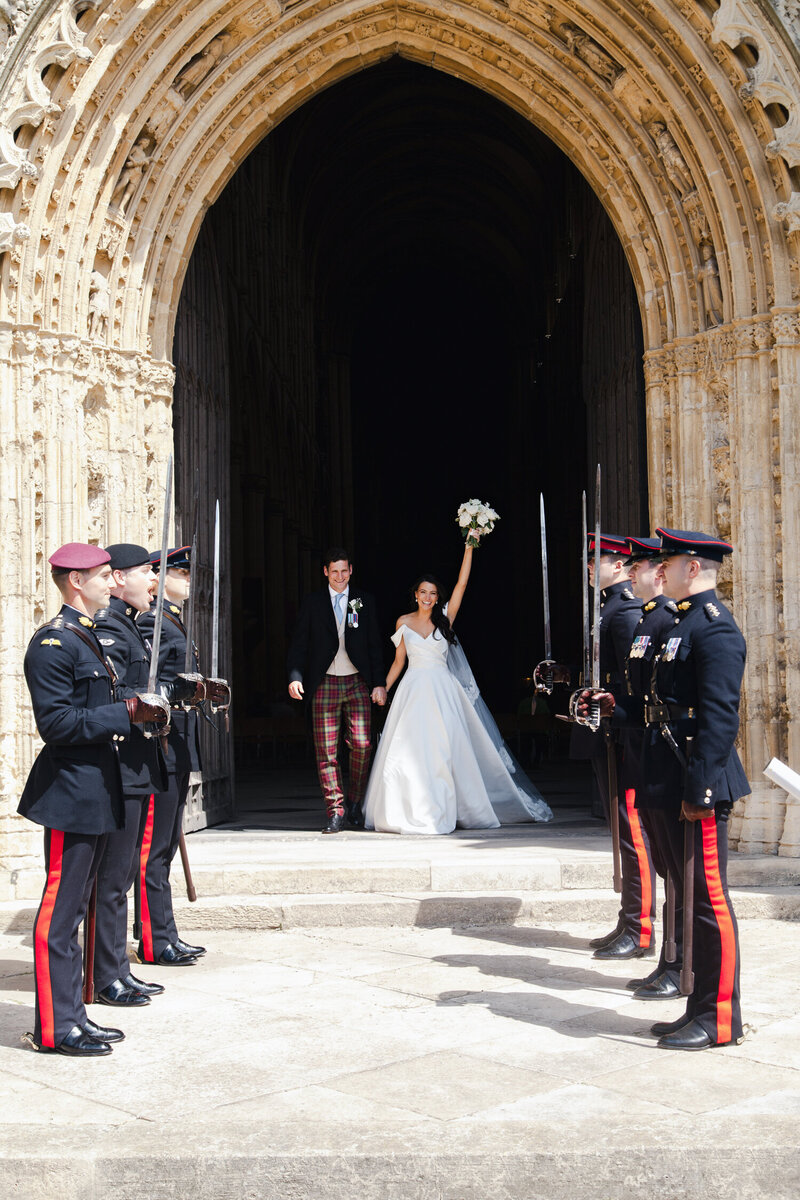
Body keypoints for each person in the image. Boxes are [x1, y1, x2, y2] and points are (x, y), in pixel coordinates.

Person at [588, 527, 748, 1051]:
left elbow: (721, 720)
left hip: (697, 781)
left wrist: (699, 790)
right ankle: (694, 1005)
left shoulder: (716, 630)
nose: (662, 571)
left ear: (693, 569)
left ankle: (719, 1016)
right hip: (668, 771)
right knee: (689, 892)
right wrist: (618, 706)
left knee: (709, 902)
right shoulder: (679, 624)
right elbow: (663, 704)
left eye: (672, 563)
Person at [18, 543, 166, 1056]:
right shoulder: (53, 644)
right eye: (104, 575)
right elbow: (56, 724)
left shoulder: (85, 638)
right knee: (59, 915)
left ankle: (74, 1014)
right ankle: (54, 1028)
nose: (112, 582)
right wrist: (126, 712)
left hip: (98, 788)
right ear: (76, 581)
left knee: (79, 907)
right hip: (70, 793)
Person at [363, 538, 553, 834]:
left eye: (433, 593)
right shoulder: (402, 622)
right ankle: (408, 808)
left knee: (443, 749)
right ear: (415, 595)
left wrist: (469, 546)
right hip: (413, 690)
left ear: (438, 598)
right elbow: (399, 662)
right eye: (423, 592)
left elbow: (462, 584)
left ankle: (449, 807)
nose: (427, 597)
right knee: (410, 750)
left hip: (443, 691)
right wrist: (382, 687)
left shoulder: (445, 621)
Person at [91, 544, 196, 1006]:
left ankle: (118, 968)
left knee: (128, 872)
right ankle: (112, 969)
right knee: (116, 876)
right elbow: (119, 694)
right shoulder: (116, 626)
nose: (154, 581)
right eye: (146, 573)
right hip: (127, 759)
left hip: (147, 754)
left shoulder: (133, 623)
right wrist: (160, 697)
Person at [578, 534, 656, 961]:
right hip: (610, 731)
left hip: (625, 736)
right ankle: (628, 918)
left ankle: (639, 927)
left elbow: (632, 681)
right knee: (623, 830)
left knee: (633, 834)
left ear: (623, 564)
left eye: (599, 559)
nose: (591, 567)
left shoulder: (623, 609)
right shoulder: (608, 607)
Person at [136, 545, 214, 965]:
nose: (188, 580)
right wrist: (179, 692)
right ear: (160, 577)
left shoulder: (173, 621)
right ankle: (154, 939)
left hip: (180, 743)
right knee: (154, 848)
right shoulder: (152, 622)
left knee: (165, 844)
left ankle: (164, 931)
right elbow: (146, 685)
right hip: (162, 744)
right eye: (181, 574)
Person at [618, 536, 683, 1000]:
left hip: (669, 755)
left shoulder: (671, 621)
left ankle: (679, 962)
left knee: (682, 874)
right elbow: (641, 696)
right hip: (648, 748)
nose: (639, 574)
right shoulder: (647, 620)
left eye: (642, 567)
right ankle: (671, 959)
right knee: (667, 866)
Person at [287, 547, 387, 833]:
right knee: (326, 750)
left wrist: (378, 682)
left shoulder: (363, 601)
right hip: (325, 681)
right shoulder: (313, 603)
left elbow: (373, 645)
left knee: (362, 745)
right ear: (325, 573)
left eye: (344, 571)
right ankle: (336, 809)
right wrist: (295, 676)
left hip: (357, 681)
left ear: (351, 570)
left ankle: (355, 802)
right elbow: (300, 644)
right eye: (335, 572)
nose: (340, 577)